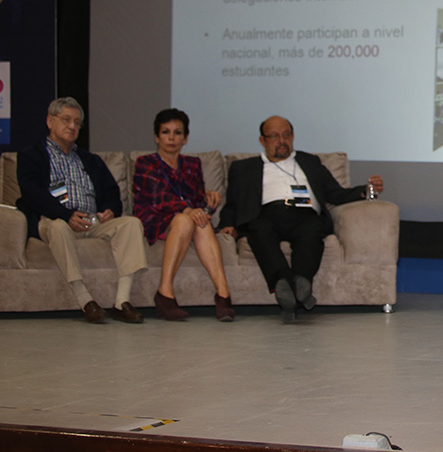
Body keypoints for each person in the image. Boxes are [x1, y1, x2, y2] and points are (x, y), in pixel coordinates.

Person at [219, 116, 384, 323]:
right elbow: (233, 203)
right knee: (258, 230)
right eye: (274, 136)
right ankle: (286, 282)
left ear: (293, 136)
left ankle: (299, 282)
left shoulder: (310, 162)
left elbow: (335, 193)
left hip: (305, 214)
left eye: (286, 135)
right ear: (262, 140)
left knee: (313, 230)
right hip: (266, 215)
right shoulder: (244, 168)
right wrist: (227, 225)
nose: (282, 141)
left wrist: (366, 191)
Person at [15, 97, 147, 324]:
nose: (72, 126)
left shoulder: (91, 160)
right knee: (58, 227)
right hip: (55, 219)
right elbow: (31, 192)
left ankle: (122, 302)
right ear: (50, 121)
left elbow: (111, 193)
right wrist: (66, 215)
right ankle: (85, 301)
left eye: (77, 122)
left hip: (92, 221)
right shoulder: (31, 155)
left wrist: (109, 210)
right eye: (66, 120)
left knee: (131, 224)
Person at [132, 109, 234, 322]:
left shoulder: (192, 164)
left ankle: (223, 293)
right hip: (153, 218)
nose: (171, 138)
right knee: (184, 219)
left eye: (177, 133)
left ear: (185, 138)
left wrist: (209, 200)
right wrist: (188, 210)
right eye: (165, 132)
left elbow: (197, 203)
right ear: (156, 137)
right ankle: (165, 292)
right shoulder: (145, 162)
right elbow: (157, 198)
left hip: (186, 220)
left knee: (201, 223)